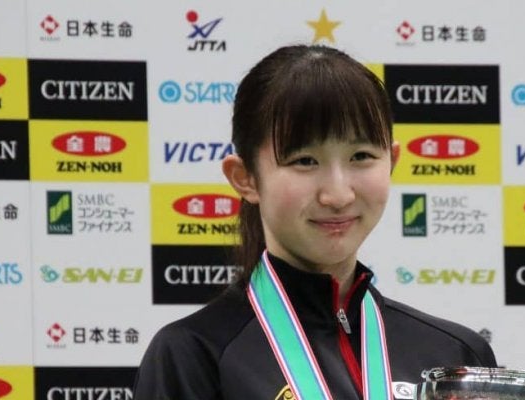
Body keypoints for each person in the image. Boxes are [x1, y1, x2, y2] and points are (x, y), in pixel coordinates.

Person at [134, 44, 496, 400]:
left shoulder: (456, 359)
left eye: (361, 156)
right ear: (245, 178)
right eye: (305, 161)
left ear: (392, 161)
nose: (338, 195)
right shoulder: (194, 357)